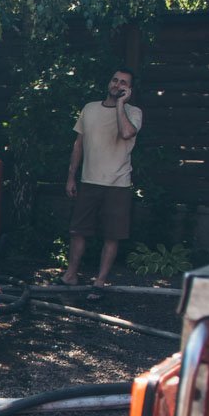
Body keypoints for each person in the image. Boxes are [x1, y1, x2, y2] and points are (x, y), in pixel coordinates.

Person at [59, 68, 142, 300]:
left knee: (111, 235)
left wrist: (120, 104)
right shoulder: (90, 108)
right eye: (115, 79)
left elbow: (126, 133)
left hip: (118, 183)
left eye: (123, 82)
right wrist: (71, 176)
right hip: (88, 180)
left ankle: (100, 281)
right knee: (78, 231)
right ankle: (71, 275)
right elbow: (78, 145)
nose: (117, 84)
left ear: (129, 89)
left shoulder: (134, 112)